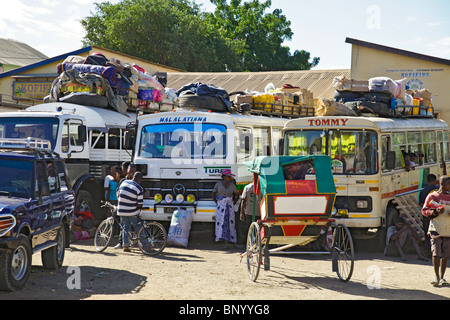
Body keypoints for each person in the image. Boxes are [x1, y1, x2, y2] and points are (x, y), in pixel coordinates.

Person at [422, 176, 450, 287]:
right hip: (435, 228)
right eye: (448, 184)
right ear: (442, 183)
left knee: (446, 254)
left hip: (448, 229)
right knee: (436, 252)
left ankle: (442, 277)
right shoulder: (432, 196)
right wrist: (434, 212)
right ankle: (436, 277)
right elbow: (424, 210)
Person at [117, 171, 144, 253]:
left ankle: (125, 246)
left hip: (121, 210)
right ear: (140, 180)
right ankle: (146, 246)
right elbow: (140, 204)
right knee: (139, 227)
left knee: (126, 227)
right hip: (132, 211)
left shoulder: (124, 182)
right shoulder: (139, 188)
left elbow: (118, 194)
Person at [212, 169, 239, 249]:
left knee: (230, 223)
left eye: (230, 177)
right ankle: (224, 241)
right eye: (228, 176)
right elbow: (213, 193)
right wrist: (217, 202)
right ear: (224, 176)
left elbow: (236, 195)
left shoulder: (232, 186)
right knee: (222, 223)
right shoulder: (218, 184)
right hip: (221, 207)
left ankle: (232, 241)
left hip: (229, 206)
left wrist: (232, 203)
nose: (229, 178)